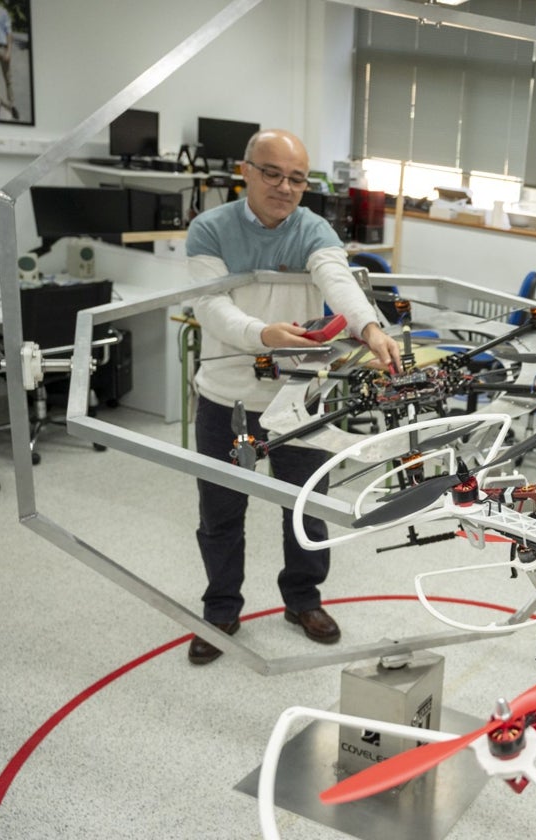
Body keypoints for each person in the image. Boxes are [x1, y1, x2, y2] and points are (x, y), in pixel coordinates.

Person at [184, 129, 401, 665]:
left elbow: (338, 281)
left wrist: (371, 328)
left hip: (300, 399)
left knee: (307, 509)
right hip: (224, 399)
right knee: (219, 513)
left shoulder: (313, 229)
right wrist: (264, 335)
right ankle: (220, 609)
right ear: (246, 170)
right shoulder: (209, 229)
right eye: (272, 173)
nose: (284, 187)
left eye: (297, 178)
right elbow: (211, 309)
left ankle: (302, 599)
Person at [0, 2, 18, 121]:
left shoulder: (3, 12)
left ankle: (12, 105)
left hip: (3, 48)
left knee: (8, 78)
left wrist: (9, 51)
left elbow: (9, 32)